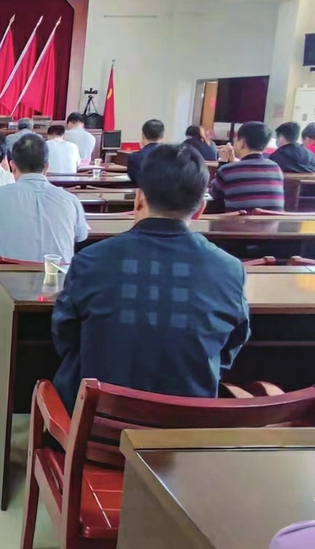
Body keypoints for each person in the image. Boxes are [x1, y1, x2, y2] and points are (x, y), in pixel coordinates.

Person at [51, 143, 250, 409]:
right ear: (200, 209)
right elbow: (228, 349)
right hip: (186, 426)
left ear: (139, 199)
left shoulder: (90, 261)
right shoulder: (229, 270)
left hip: (99, 421)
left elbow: (65, 335)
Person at [0, 134, 88, 262]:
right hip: (59, 274)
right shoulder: (70, 200)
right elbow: (81, 236)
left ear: (13, 166)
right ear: (46, 167)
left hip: (12, 274)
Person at [210, 121, 284, 212]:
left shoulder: (227, 170)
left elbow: (213, 194)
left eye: (236, 140)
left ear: (242, 143)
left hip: (237, 221)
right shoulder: (276, 168)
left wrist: (222, 161)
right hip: (272, 221)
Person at [126, 119, 166, 183]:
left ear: (143, 135)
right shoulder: (172, 157)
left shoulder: (135, 157)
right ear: (162, 136)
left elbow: (133, 179)